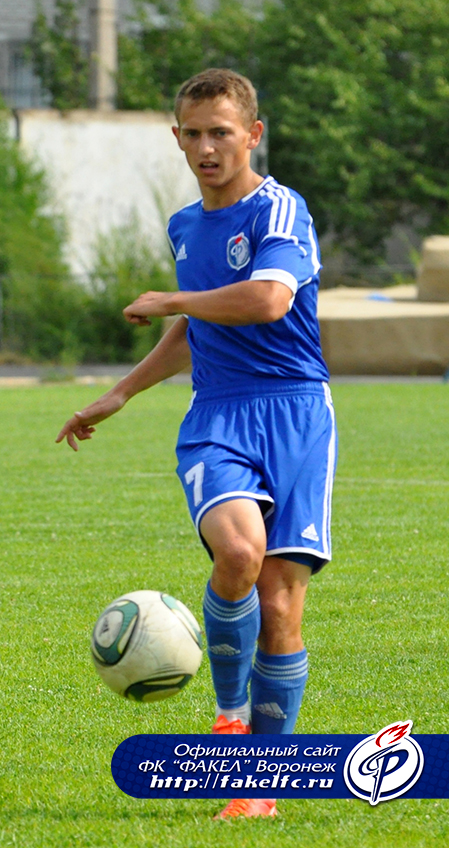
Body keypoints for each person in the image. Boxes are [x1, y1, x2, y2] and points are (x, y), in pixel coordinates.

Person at [56, 68, 337, 820]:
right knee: (238, 554)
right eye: (193, 134)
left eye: (221, 132)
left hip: (297, 414)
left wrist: (172, 297)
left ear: (253, 134)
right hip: (217, 414)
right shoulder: (185, 225)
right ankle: (228, 719)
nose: (207, 148)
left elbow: (268, 299)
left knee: (279, 604)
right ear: (176, 137)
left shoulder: (281, 208)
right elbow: (194, 327)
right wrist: (121, 392)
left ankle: (259, 787)